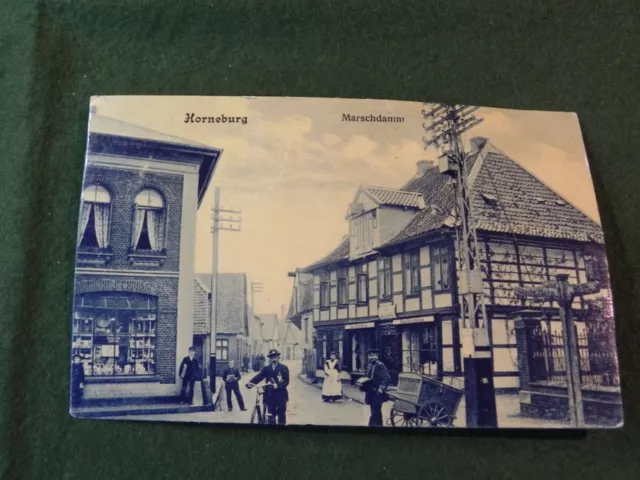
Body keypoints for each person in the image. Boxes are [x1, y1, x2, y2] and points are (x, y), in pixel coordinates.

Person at [246, 349, 289, 425]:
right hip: (270, 395)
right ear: (270, 359)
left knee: (281, 417)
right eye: (272, 357)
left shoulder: (284, 368)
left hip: (281, 395)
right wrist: (250, 383)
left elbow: (286, 381)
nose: (274, 359)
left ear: (278, 357)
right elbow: (259, 376)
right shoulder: (267, 369)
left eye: (275, 357)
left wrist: (278, 386)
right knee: (271, 417)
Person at [359, 348, 390, 427]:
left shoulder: (380, 365)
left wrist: (381, 388)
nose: (371, 357)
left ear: (377, 356)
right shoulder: (369, 365)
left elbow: (386, 378)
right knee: (374, 409)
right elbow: (367, 377)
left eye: (373, 355)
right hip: (370, 391)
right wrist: (362, 384)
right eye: (370, 356)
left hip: (377, 391)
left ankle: (373, 425)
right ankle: (379, 424)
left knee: (375, 409)